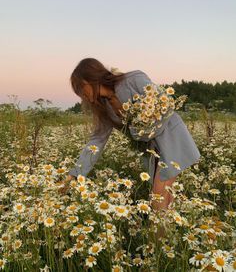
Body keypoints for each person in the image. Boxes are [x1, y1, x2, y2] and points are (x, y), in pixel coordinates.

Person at [60, 58, 201, 220]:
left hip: (172, 138)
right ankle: (167, 237)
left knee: (158, 194)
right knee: (164, 195)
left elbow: (165, 104)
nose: (80, 94)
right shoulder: (104, 108)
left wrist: (146, 127)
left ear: (90, 79)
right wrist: (75, 174)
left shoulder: (133, 80)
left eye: (79, 88)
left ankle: (157, 242)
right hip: (151, 149)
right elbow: (96, 141)